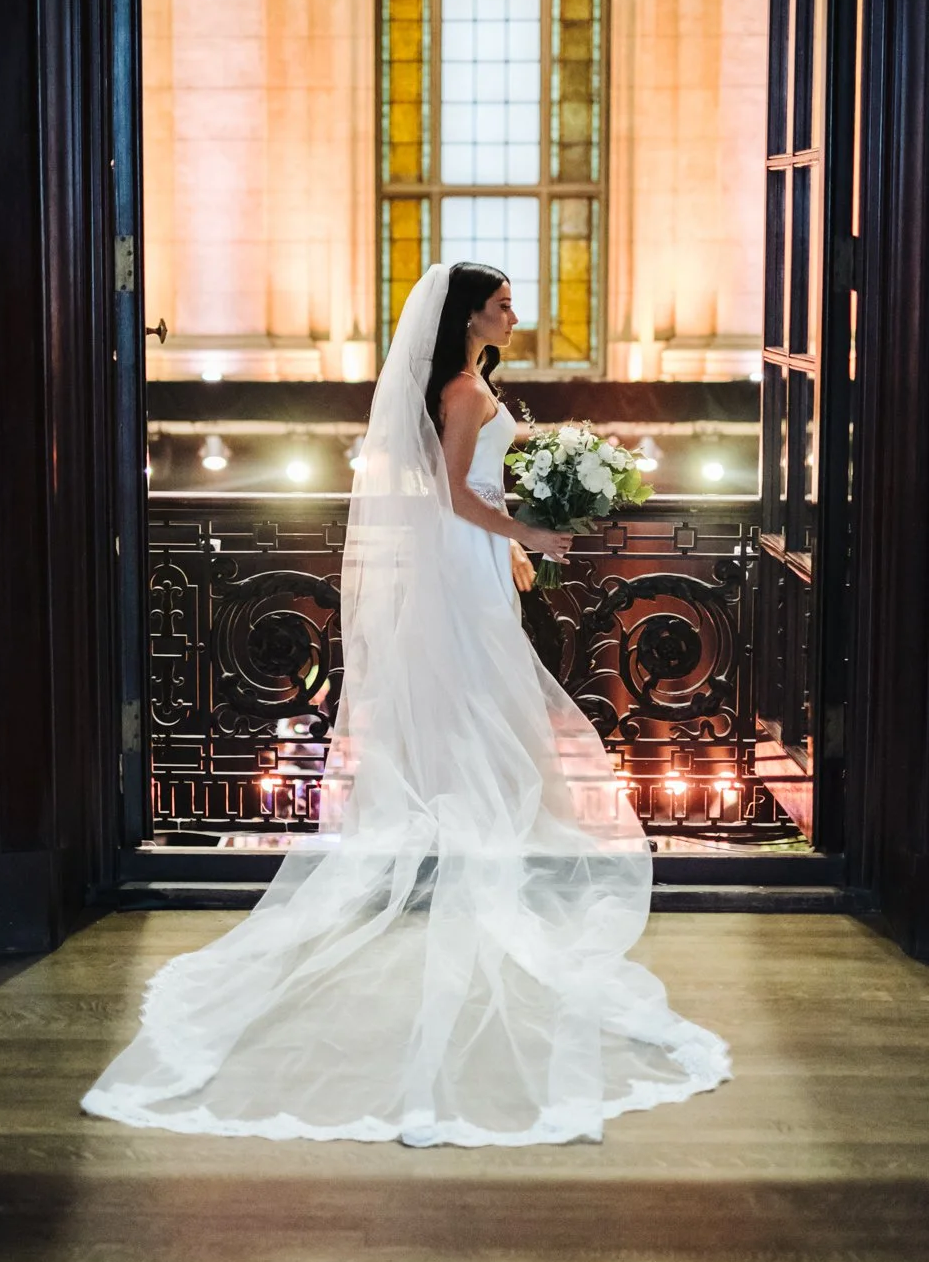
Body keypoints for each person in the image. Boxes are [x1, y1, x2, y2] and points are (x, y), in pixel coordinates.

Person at [83, 262, 730, 1146]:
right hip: (461, 568)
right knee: (482, 709)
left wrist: (510, 552)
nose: (514, 312)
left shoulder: (476, 383)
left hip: (476, 567)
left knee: (488, 709)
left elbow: (470, 497)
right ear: (468, 317)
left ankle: (478, 854)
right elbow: (454, 495)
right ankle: (477, 867)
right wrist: (529, 532)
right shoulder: (463, 392)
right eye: (501, 303)